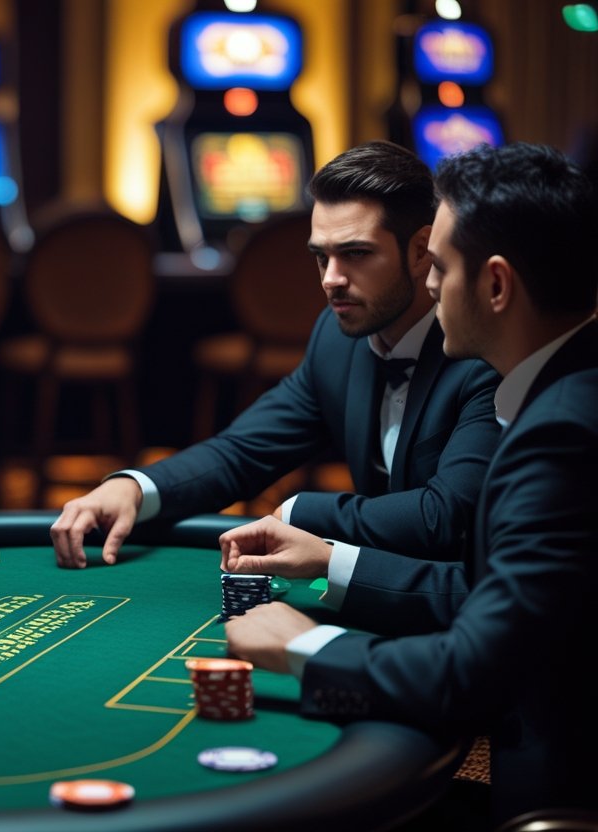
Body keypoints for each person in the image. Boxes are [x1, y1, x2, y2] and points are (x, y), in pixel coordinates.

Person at [220, 142, 598, 824]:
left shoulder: (562, 433)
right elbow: (494, 592)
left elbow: (470, 673)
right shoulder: (564, 392)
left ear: (497, 285)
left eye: (443, 267)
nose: (428, 285)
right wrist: (335, 564)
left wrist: (304, 648)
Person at [51, 141, 501, 568]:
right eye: (321, 257)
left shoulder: (479, 350)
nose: (331, 279)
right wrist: (135, 488)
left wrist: (297, 511)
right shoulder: (336, 337)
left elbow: (444, 517)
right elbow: (242, 451)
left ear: (422, 250)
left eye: (356, 254)